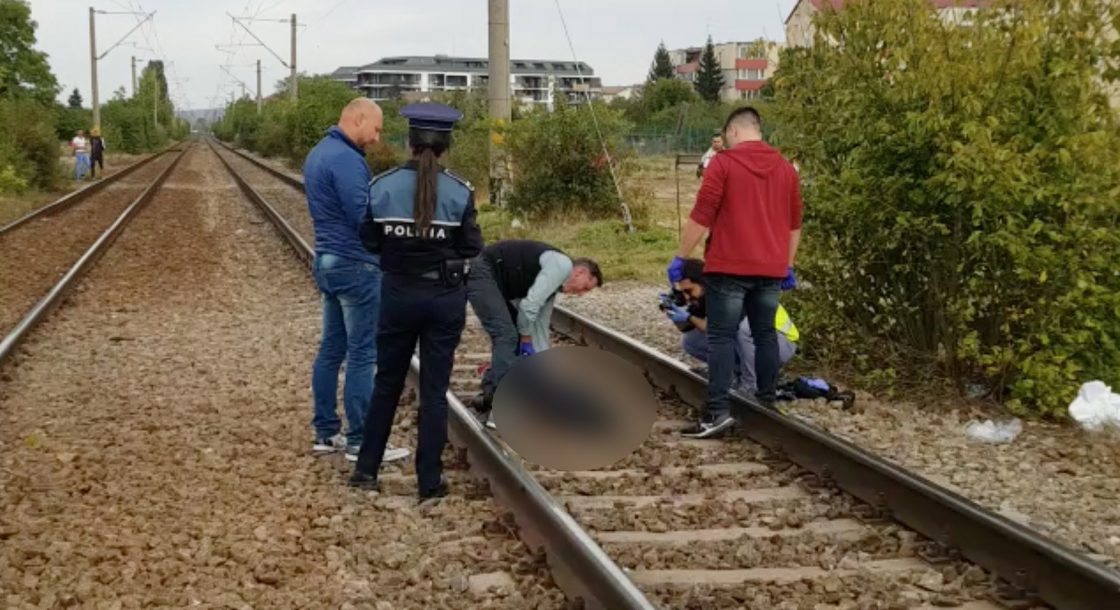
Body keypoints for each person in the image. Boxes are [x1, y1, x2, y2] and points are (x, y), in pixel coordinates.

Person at [349, 102, 484, 499]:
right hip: (443, 299)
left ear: (409, 141)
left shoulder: (382, 186)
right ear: (445, 145)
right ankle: (429, 481)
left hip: (397, 295)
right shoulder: (460, 191)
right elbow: (472, 246)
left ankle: (366, 470)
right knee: (434, 392)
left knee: (386, 383)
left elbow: (368, 239)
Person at [667, 106, 802, 438]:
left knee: (721, 337)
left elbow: (703, 213)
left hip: (729, 266)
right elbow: (794, 224)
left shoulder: (723, 163)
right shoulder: (786, 168)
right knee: (764, 334)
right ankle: (766, 403)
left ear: (734, 131)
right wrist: (788, 264)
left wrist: (681, 256)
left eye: (726, 136)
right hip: (771, 269)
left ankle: (717, 412)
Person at [303, 98, 409, 465]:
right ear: (358, 118)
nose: (377, 138)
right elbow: (363, 215)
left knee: (332, 348)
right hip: (355, 265)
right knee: (363, 354)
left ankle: (325, 431)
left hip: (327, 261)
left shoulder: (319, 153)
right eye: (376, 129)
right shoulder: (347, 159)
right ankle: (361, 440)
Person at [466, 240, 603, 419]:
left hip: (496, 282)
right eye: (584, 287)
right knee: (507, 335)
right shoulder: (562, 265)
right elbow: (529, 307)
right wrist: (526, 338)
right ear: (580, 272)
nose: (581, 293)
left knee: (513, 335)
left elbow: (540, 328)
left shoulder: (552, 287)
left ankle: (490, 393)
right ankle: (499, 401)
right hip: (483, 271)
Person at [664, 259, 798, 408]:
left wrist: (688, 317)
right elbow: (687, 328)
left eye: (689, 291)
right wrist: (672, 312)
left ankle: (752, 386)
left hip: (780, 344)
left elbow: (718, 328)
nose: (687, 297)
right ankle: (734, 375)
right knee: (691, 341)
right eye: (683, 293)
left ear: (703, 283)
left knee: (744, 328)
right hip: (755, 344)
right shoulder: (703, 296)